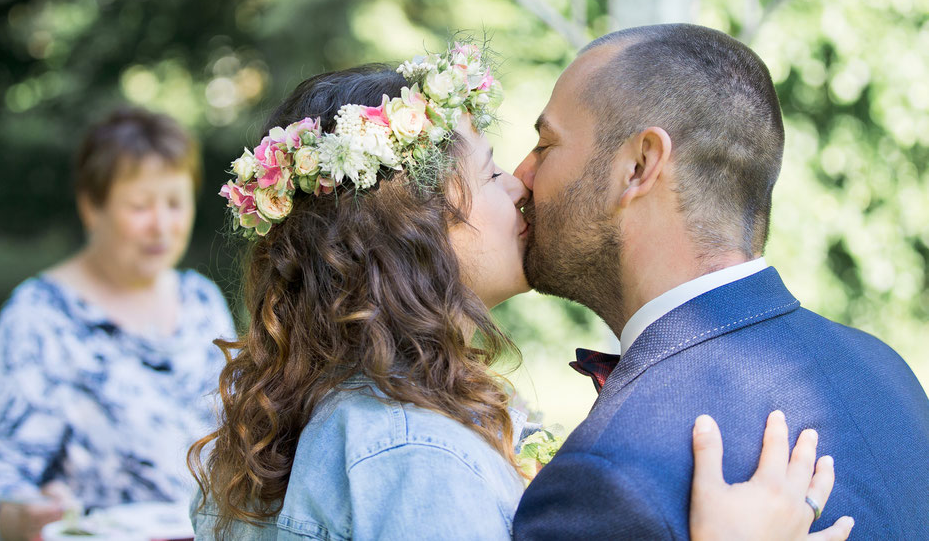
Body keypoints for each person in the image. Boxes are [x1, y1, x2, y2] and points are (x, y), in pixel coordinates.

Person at [189, 49, 853, 540]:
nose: (521, 185)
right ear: (409, 222)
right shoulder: (413, 453)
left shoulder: (387, 412)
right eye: (491, 169)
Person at [510, 24, 929, 539]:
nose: (520, 174)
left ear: (639, 166)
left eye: (545, 144)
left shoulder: (605, 477)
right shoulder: (888, 372)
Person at [0, 107, 235, 541]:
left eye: (174, 202)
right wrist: (34, 515)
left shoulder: (201, 300)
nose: (161, 226)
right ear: (91, 206)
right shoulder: (38, 315)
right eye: (139, 206)